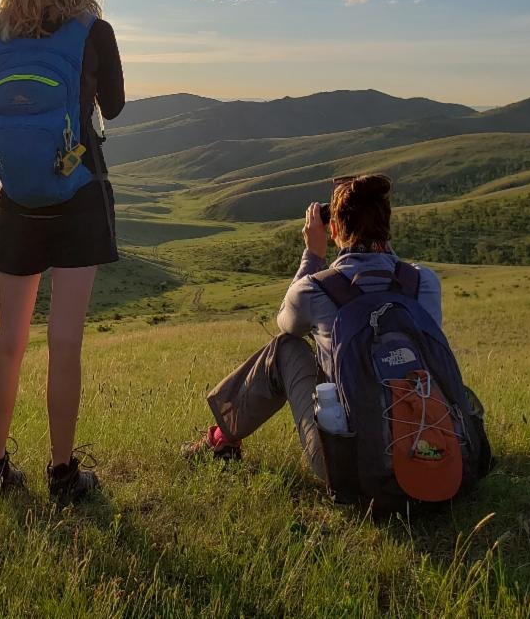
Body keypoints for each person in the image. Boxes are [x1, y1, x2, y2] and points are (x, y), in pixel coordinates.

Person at [0, 0, 125, 504]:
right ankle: (62, 474)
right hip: (77, 192)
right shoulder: (93, 31)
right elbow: (112, 106)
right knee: (65, 342)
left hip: (13, 198)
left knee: (7, 339)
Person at [182, 174, 442, 481]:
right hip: (437, 450)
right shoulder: (422, 282)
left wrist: (313, 255)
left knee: (285, 347)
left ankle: (220, 440)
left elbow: (285, 324)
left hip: (348, 467)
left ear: (332, 228)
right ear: (387, 227)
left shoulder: (317, 289)